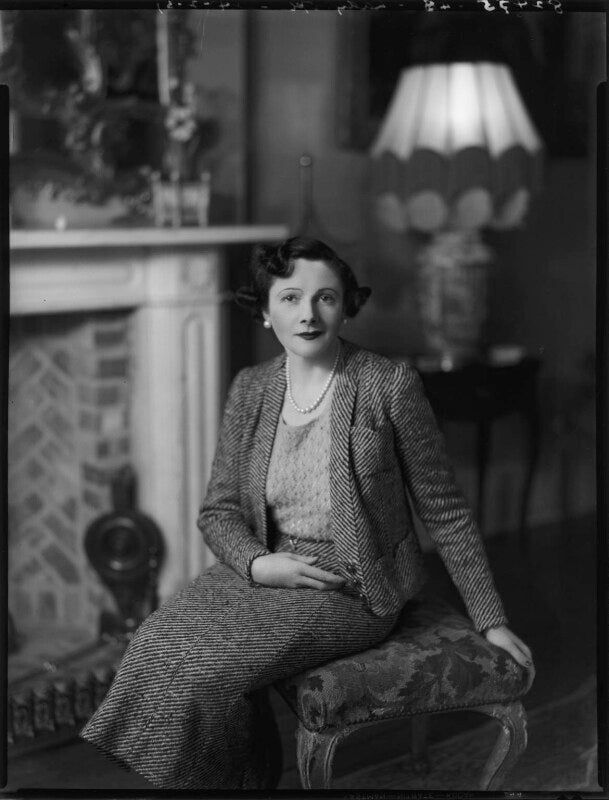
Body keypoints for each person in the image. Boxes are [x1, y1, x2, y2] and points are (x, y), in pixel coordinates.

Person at [80, 236, 534, 790]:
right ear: (265, 312)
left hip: (349, 584)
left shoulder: (388, 385)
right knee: (154, 640)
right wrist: (258, 564)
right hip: (266, 566)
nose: (309, 314)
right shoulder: (251, 389)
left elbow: (446, 510)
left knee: (206, 669)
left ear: (345, 306)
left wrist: (491, 618)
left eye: (326, 297)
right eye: (291, 298)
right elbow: (218, 511)